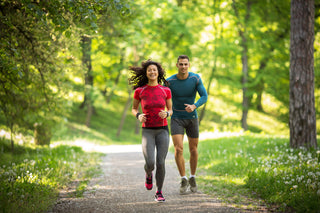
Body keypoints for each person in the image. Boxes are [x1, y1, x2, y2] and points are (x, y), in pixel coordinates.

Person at [129, 59, 172, 202]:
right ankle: (148, 173)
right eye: (149, 70)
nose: (152, 72)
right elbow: (134, 108)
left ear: (158, 72)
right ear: (146, 73)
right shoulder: (139, 91)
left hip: (163, 130)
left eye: (154, 70)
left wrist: (167, 114)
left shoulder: (165, 90)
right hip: (147, 131)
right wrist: (138, 115)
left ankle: (159, 191)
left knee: (160, 162)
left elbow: (170, 109)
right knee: (150, 163)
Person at [166, 55, 208, 194]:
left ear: (189, 65)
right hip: (177, 118)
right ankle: (183, 178)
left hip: (192, 118)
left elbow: (204, 96)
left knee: (193, 149)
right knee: (178, 149)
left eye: (185, 64)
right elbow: (163, 97)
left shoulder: (195, 78)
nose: (183, 67)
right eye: (181, 64)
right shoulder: (170, 81)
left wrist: (194, 106)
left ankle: (192, 177)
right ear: (176, 65)